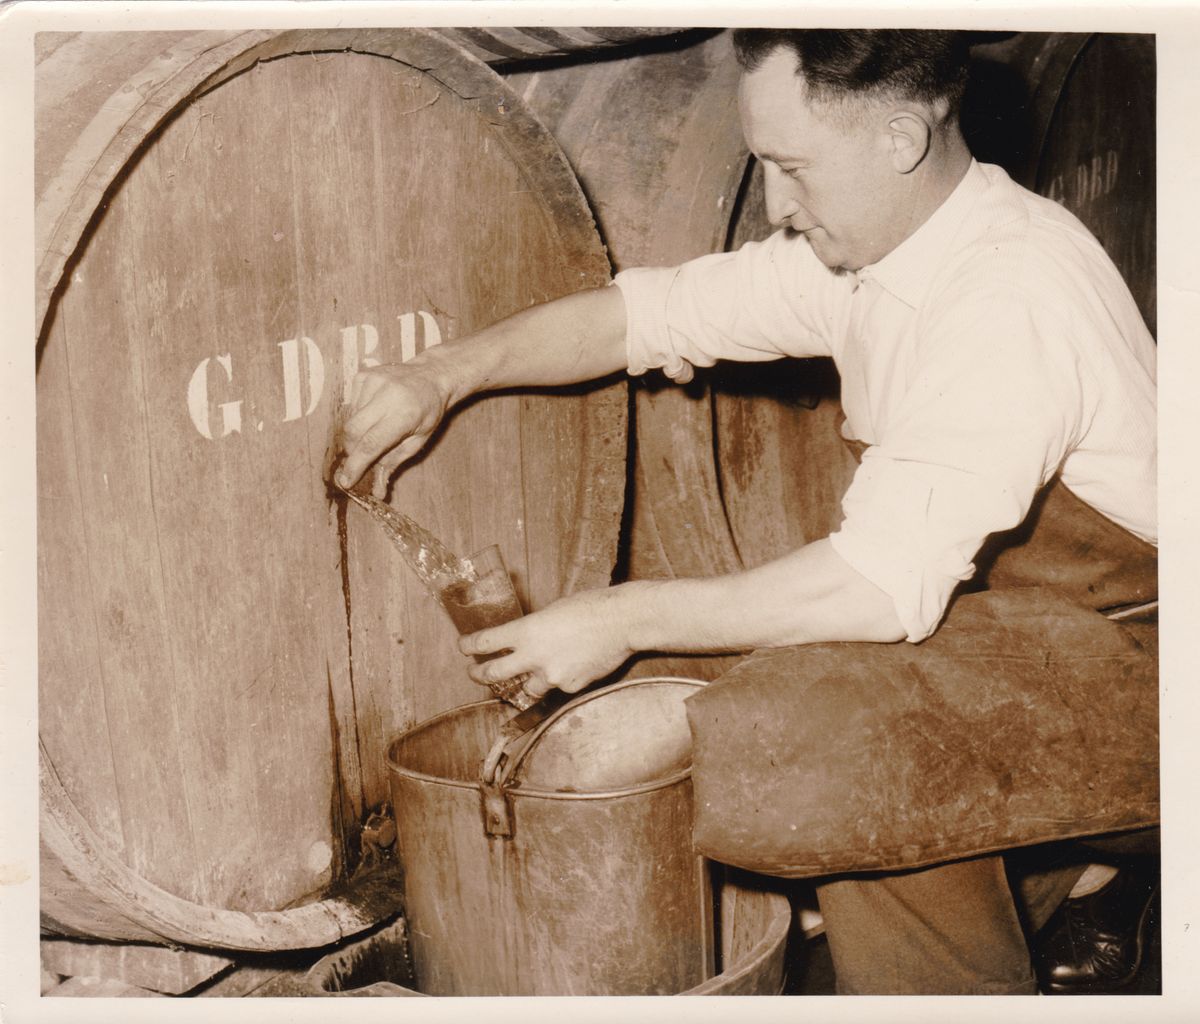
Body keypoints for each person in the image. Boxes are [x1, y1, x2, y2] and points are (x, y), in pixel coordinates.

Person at [335, 29, 1158, 995]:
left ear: (899, 139)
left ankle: (1076, 880)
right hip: (1031, 643)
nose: (774, 204)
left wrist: (622, 614)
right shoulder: (882, 253)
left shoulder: (1005, 293)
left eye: (792, 166)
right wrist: (444, 372)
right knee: (818, 720)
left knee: (833, 743)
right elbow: (647, 315)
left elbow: (875, 587)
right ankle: (1055, 886)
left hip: (1143, 675)